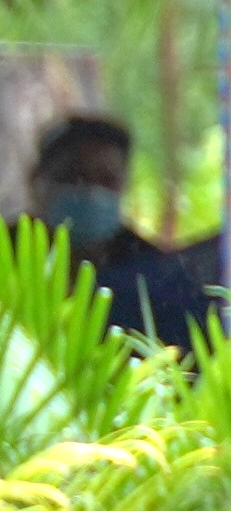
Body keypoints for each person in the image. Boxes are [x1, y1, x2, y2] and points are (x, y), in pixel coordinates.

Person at [17, 109, 215, 347]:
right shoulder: (0, 251)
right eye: (73, 175)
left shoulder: (151, 270)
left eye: (106, 178)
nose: (90, 190)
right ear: (37, 180)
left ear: (124, 184)